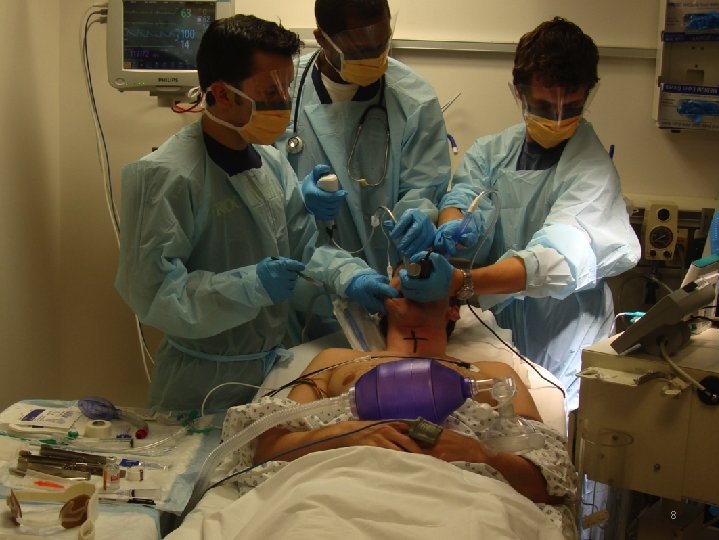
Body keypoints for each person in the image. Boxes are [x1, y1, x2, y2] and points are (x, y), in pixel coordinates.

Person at [114, 14, 398, 413]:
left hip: (270, 374)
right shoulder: (165, 176)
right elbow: (155, 294)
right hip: (200, 385)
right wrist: (250, 286)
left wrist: (350, 276)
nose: (283, 102)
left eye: (286, 87)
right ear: (221, 94)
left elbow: (304, 249)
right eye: (269, 91)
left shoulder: (270, 162)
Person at [385, 17, 641, 411]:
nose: (557, 118)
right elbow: (465, 196)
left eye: (572, 107)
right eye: (543, 106)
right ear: (518, 92)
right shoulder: (492, 152)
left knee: (552, 420)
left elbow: (553, 261)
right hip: (494, 332)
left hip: (562, 333)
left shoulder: (592, 171)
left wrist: (462, 282)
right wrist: (453, 227)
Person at [217, 293, 577, 538]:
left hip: (463, 491)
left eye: (428, 278)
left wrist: (477, 452)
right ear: (382, 301)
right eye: (403, 279)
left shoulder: (492, 373)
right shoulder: (336, 361)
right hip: (336, 479)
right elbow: (266, 447)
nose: (414, 282)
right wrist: (345, 435)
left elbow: (549, 481)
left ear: (453, 308)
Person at [275, 0, 452, 276]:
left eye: (381, 45)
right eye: (360, 50)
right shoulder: (279, 90)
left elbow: (424, 186)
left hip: (386, 275)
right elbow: (259, 178)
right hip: (301, 276)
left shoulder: (415, 99)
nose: (375, 57)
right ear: (322, 39)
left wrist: (420, 215)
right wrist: (296, 197)